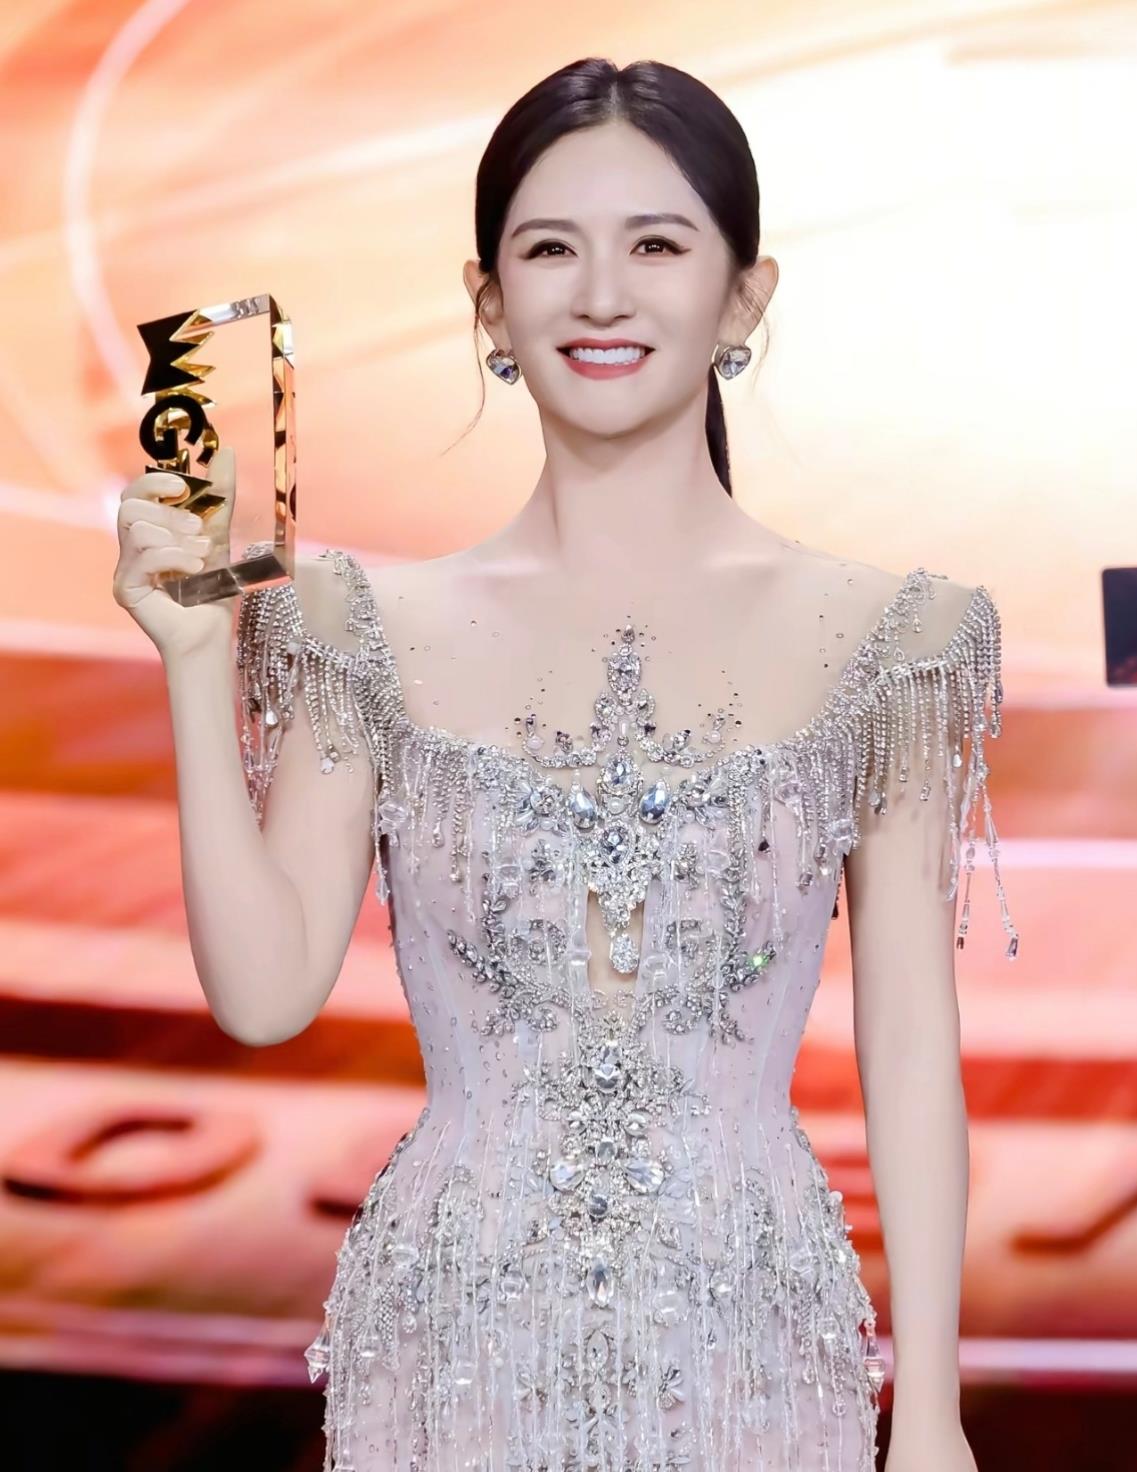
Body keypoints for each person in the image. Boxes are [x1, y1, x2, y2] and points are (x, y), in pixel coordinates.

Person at [113, 55, 1018, 1472]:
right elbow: (265, 991)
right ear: (488, 305)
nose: (602, 295)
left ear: (744, 298)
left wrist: (938, 1418)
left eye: (656, 245)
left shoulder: (891, 639)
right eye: (550, 250)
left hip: (754, 1349)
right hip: (455, 1345)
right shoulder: (355, 622)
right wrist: (189, 659)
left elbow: (911, 1051)